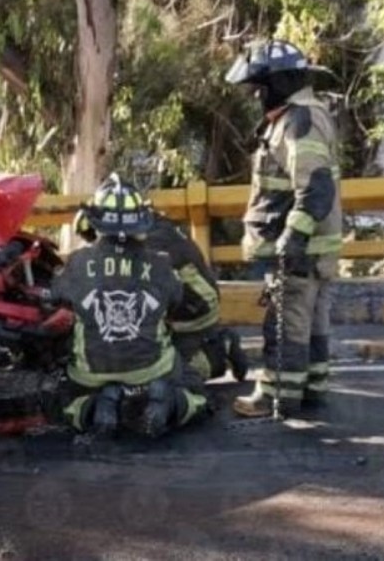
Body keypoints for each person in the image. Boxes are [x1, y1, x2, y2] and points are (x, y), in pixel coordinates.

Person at [224, 39, 342, 418]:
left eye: (260, 86)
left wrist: (293, 238)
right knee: (310, 324)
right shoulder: (304, 114)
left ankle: (277, 396)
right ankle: (311, 388)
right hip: (315, 249)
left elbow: (315, 186)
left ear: (281, 82)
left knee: (286, 324)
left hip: (299, 251)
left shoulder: (298, 121)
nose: (257, 95)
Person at [53, 174, 211, 438]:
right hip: (153, 371)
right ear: (143, 221)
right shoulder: (161, 264)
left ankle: (97, 406)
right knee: (198, 393)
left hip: (91, 375)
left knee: (62, 402)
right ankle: (168, 403)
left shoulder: (76, 263)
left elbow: (56, 296)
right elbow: (177, 301)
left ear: (93, 221)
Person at [73, 204, 249, 383]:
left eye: (92, 237)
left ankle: (218, 352)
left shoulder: (143, 242)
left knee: (159, 374)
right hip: (187, 300)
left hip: (193, 310)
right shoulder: (144, 223)